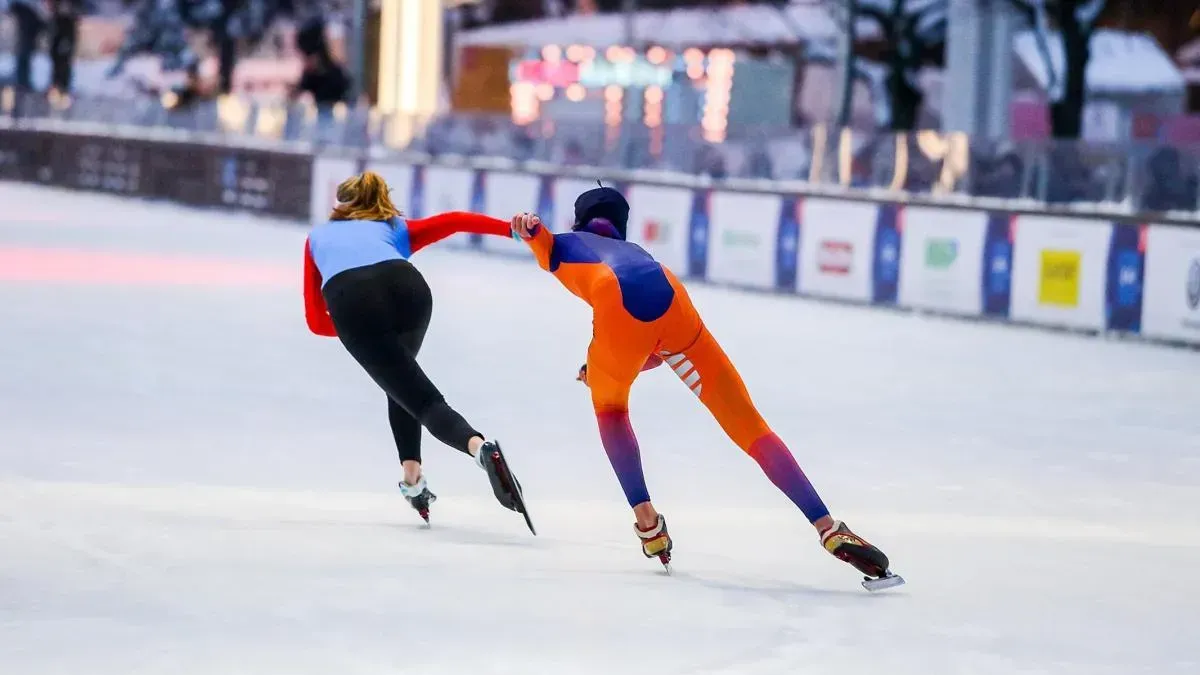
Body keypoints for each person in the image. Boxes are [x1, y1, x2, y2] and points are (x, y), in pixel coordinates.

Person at [509, 186, 901, 587]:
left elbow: (534, 236)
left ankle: (648, 525)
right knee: (751, 427)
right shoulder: (640, 255)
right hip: (672, 298)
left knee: (611, 410)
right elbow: (658, 349)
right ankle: (829, 527)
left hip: (617, 306)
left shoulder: (569, 245)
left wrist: (526, 227)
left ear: (580, 221)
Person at [303, 170, 529, 529]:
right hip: (409, 291)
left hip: (353, 302)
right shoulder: (393, 227)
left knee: (418, 396)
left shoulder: (317, 237)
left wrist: (357, 334)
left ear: (339, 206)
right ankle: (413, 478)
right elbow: (455, 221)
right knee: (402, 385)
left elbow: (316, 321)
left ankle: (479, 448)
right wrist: (512, 230)